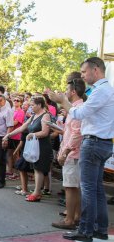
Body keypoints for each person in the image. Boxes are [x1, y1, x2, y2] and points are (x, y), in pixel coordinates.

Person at [48, 57, 114, 242]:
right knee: (97, 189)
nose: (83, 76)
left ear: (96, 70)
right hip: (102, 143)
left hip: (93, 143)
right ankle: (100, 228)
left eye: (84, 72)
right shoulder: (105, 90)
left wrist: (62, 101)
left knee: (88, 189)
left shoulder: (101, 91)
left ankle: (86, 230)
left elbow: (78, 113)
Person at [50, 78, 85, 230]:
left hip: (74, 154)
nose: (64, 93)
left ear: (73, 92)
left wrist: (65, 151)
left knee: (70, 187)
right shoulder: (74, 108)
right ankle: (75, 216)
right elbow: (70, 132)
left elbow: (77, 134)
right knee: (73, 187)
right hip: (72, 152)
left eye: (66, 90)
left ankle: (70, 220)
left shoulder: (78, 109)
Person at [3, 96, 52, 199]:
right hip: (33, 146)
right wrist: (9, 135)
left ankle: (36, 193)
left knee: (39, 169)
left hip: (42, 146)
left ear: (39, 105)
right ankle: (36, 191)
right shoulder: (34, 116)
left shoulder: (45, 116)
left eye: (32, 105)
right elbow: (23, 127)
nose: (31, 108)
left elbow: (45, 132)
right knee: (36, 169)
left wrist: (33, 135)